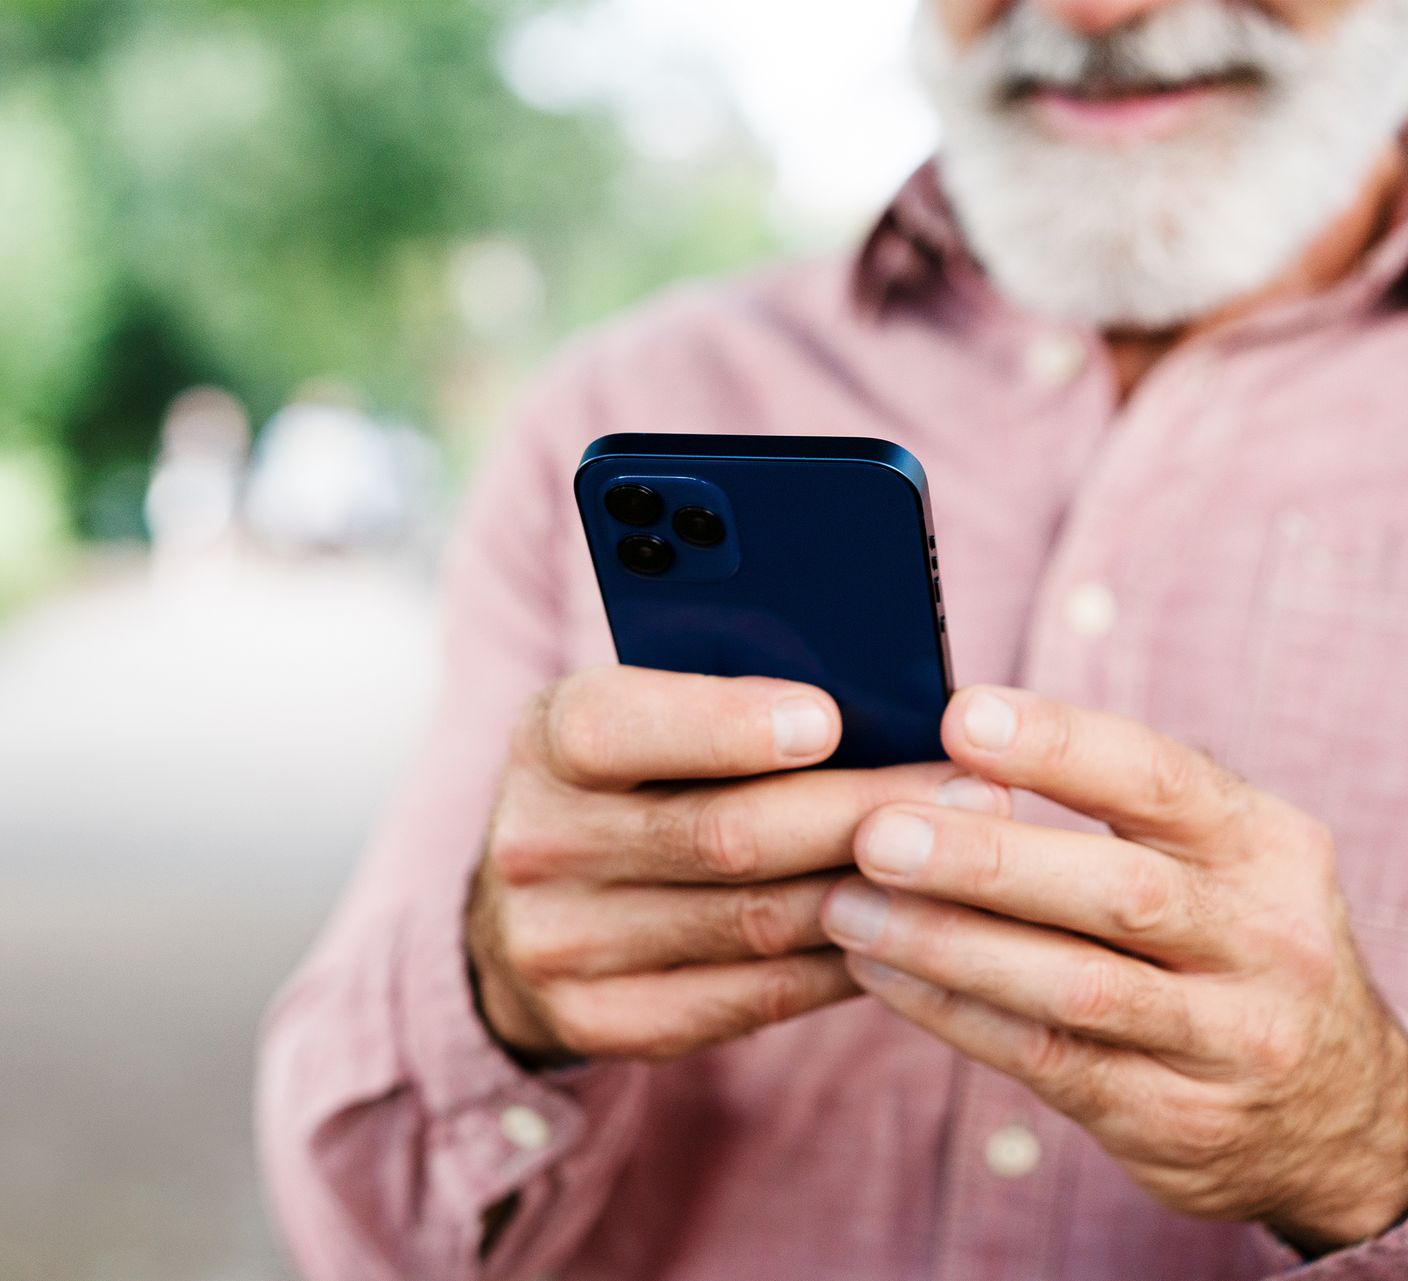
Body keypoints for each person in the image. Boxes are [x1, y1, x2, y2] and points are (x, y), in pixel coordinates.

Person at [256, 1, 1408, 1277]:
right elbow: (357, 1229)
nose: (1096, 10)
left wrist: (1366, 1140)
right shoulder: (621, 403)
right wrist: (501, 996)